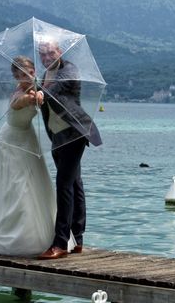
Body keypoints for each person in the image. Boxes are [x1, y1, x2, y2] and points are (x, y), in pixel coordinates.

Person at [0, 56, 56, 256]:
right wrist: (35, 97)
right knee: (17, 186)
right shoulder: (21, 95)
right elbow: (20, 103)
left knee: (34, 184)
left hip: (28, 137)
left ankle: (39, 233)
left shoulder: (35, 90)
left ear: (34, 72)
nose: (23, 76)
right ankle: (15, 235)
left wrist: (41, 92)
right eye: (18, 74)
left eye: (27, 72)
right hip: (12, 141)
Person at [37, 40, 103, 260]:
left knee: (63, 184)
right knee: (75, 183)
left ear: (60, 51)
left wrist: (42, 93)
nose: (46, 57)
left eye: (49, 53)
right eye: (42, 54)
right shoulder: (44, 74)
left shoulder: (69, 70)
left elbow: (57, 88)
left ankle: (60, 243)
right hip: (57, 135)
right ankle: (78, 239)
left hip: (75, 133)